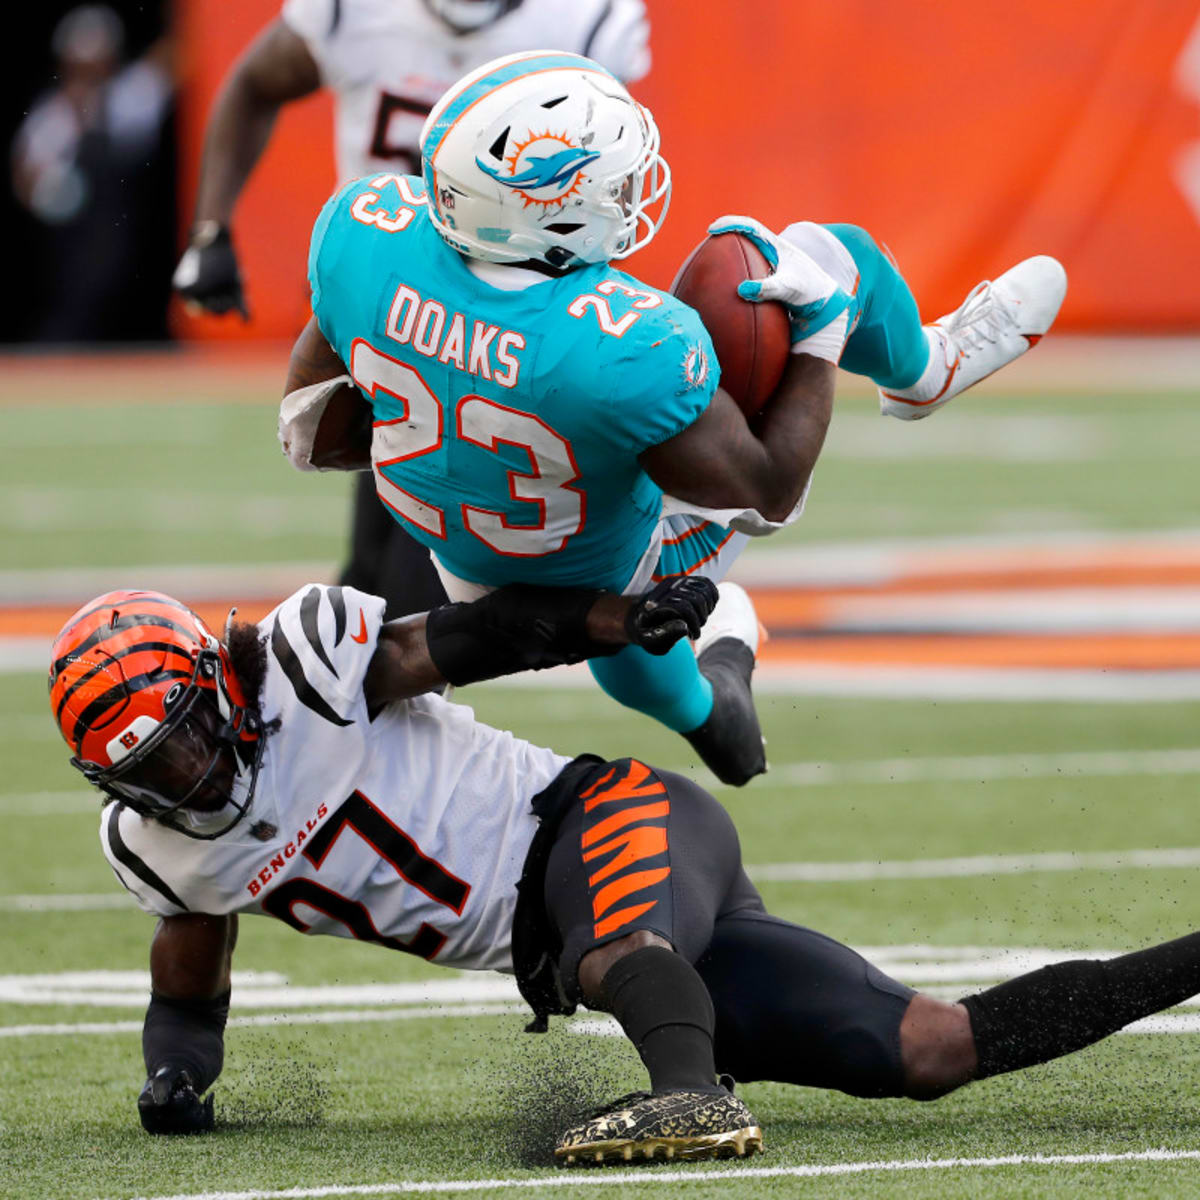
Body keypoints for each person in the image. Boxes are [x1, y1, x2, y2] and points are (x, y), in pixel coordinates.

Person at [50, 577, 1200, 1166]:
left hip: (607, 817)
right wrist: (177, 1081)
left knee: (614, 954)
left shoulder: (304, 666)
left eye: (190, 735)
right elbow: (184, 986)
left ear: (216, 680)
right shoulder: (165, 850)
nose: (190, 777)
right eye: (154, 770)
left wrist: (619, 618)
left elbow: (474, 635)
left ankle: (691, 1094)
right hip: (573, 941)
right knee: (927, 1051)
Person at [280, 50, 1069, 787]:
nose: (630, 193)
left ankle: (707, 715)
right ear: (553, 213)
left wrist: (444, 418)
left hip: (459, 552)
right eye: (613, 184)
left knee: (627, 533)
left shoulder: (364, 231)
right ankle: (927, 370)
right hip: (600, 567)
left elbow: (307, 420)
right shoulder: (628, 342)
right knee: (819, 255)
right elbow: (771, 490)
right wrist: (824, 328)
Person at [173, 0, 651, 620]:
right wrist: (211, 228)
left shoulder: (585, 19)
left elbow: (607, 175)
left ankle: (400, 665)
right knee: (387, 553)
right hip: (384, 294)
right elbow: (254, 84)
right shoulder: (353, 12)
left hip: (507, 299)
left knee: (404, 568)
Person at [11, 5, 175, 341]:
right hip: (72, 257)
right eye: (79, 68)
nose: (87, 77)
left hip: (132, 248)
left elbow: (176, 58)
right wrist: (46, 190)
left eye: (96, 67)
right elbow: (23, 174)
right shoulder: (51, 118)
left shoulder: (131, 98)